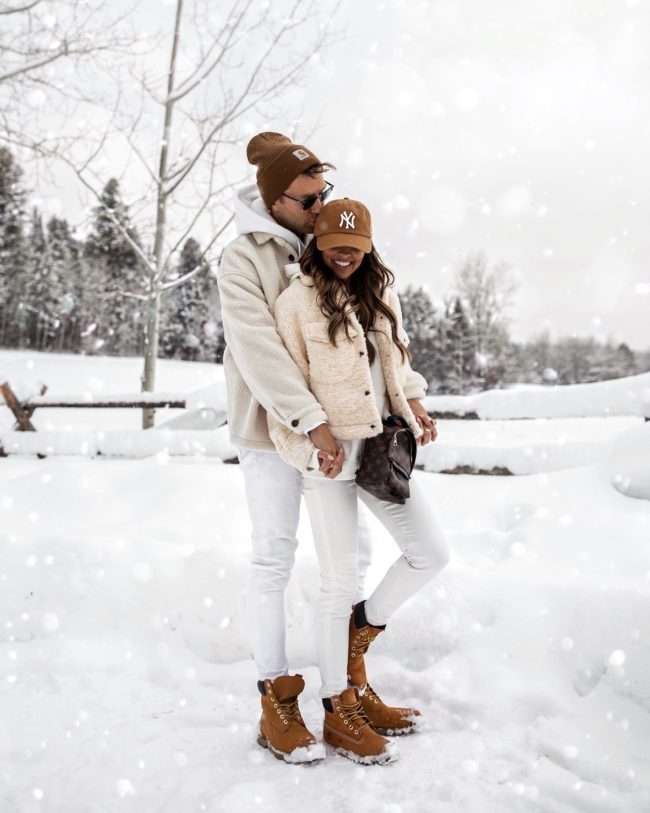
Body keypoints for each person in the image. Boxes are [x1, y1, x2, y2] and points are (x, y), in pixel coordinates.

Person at [268, 198, 450, 764]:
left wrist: (415, 402)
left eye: (356, 247)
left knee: (430, 553)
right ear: (317, 244)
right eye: (334, 246)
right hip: (326, 454)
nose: (345, 255)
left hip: (379, 447)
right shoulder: (296, 301)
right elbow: (284, 383)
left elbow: (398, 358)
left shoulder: (381, 293)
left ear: (369, 247)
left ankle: (357, 639)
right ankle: (337, 708)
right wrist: (311, 436)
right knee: (338, 580)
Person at [217, 133, 375, 764]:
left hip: (333, 434)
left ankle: (346, 693)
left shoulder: (325, 244)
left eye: (324, 194)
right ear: (273, 200)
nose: (320, 207)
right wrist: (308, 419)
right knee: (274, 558)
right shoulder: (241, 257)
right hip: (271, 429)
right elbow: (258, 349)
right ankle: (275, 698)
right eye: (309, 198)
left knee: (349, 560)